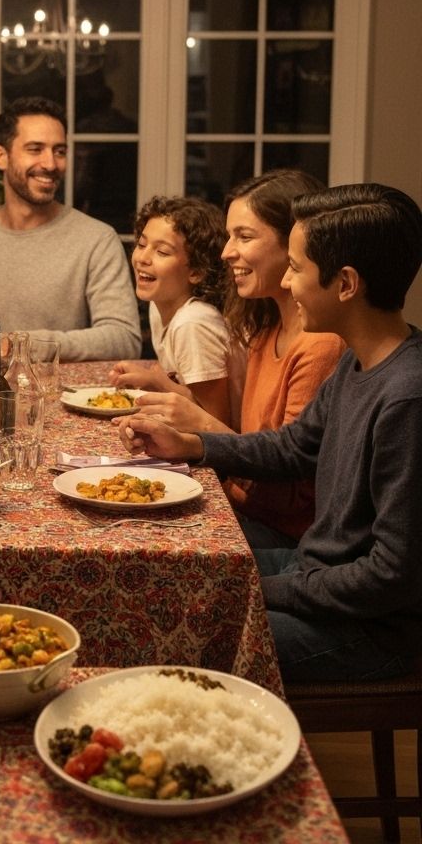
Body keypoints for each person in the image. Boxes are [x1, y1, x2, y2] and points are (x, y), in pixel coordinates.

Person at [117, 183, 422, 682]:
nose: (287, 280)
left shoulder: (407, 397)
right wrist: (192, 445)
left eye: (296, 268)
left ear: (345, 284)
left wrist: (261, 588)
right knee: (165, 576)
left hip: (369, 628)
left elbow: (390, 576)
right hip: (315, 572)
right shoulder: (357, 362)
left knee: (178, 636)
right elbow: (294, 447)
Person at [129, 170, 344, 547]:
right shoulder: (264, 328)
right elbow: (252, 444)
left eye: (244, 237)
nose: (227, 252)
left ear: (296, 242)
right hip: (240, 507)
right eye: (230, 236)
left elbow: (292, 491)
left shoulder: (319, 346)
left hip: (281, 535)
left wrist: (200, 428)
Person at [0, 97, 140, 362]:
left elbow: (124, 339)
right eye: (35, 149)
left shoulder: (97, 240)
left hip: (65, 388)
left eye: (59, 151)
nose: (51, 164)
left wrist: (27, 345)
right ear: (0, 156)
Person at [109, 196, 246, 428]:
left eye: (162, 252)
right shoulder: (158, 307)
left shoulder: (193, 323)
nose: (143, 258)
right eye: (141, 245)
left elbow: (215, 421)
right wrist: (150, 379)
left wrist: (159, 383)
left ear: (196, 271)